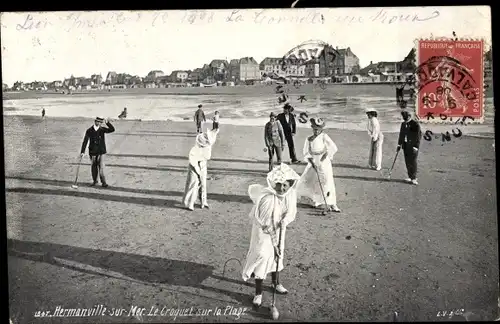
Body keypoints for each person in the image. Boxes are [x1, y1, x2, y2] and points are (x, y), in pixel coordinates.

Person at [242, 163, 300, 307]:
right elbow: (259, 218)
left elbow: (291, 212)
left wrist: (285, 221)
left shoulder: (291, 194)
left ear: (290, 184)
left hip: (280, 229)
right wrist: (268, 230)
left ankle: (275, 283)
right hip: (263, 231)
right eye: (278, 185)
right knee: (262, 256)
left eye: (285, 185)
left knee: (277, 256)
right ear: (273, 183)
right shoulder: (266, 197)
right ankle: (258, 293)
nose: (281, 189)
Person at [297, 118, 341, 212]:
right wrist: (313, 164)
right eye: (314, 129)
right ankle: (317, 201)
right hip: (313, 163)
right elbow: (306, 153)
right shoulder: (308, 139)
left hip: (324, 163)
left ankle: (332, 203)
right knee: (312, 181)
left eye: (317, 129)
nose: (316, 131)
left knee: (327, 182)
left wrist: (323, 158)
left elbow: (333, 148)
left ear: (321, 129)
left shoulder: (324, 136)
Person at [182, 128, 220, 211]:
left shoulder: (208, 145)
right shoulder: (194, 150)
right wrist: (198, 172)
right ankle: (189, 203)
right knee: (193, 184)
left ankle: (203, 202)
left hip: (203, 165)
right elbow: (193, 163)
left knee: (203, 184)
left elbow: (214, 134)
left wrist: (216, 125)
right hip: (194, 167)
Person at [80, 117, 115, 187]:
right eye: (97, 122)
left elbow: (112, 130)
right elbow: (85, 141)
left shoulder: (102, 129)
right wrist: (82, 152)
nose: (99, 123)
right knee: (93, 167)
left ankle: (103, 182)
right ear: (95, 121)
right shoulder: (89, 130)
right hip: (92, 152)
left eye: (100, 122)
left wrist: (107, 123)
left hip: (101, 152)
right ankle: (95, 181)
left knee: (101, 167)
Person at [397, 110, 422, 185]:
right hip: (405, 145)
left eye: (406, 117)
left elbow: (418, 136)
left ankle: (414, 178)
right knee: (407, 162)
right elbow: (401, 135)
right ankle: (410, 176)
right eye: (403, 117)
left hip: (413, 146)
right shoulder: (403, 124)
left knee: (413, 162)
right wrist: (399, 145)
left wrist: (416, 147)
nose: (404, 119)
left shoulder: (415, 124)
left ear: (409, 116)